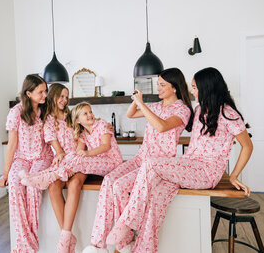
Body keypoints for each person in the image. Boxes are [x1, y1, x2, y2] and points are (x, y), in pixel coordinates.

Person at [106, 67, 253, 253]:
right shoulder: (200, 109)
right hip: (188, 166)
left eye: (194, 87)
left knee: (151, 162)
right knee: (156, 197)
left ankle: (128, 220)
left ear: (206, 87)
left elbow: (247, 146)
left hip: (205, 173)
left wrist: (233, 176)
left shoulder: (228, 113)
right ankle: (143, 249)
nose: (192, 91)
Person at [83, 68, 194, 253]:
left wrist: (142, 104)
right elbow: (130, 115)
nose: (158, 88)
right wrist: (136, 101)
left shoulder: (182, 110)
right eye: (158, 84)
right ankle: (97, 243)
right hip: (140, 157)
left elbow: (161, 126)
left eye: (162, 85)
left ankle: (125, 240)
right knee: (109, 181)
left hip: (159, 163)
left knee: (119, 187)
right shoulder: (158, 106)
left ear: (174, 88)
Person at [22, 102, 123, 252]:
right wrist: (71, 164)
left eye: (90, 112)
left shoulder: (102, 125)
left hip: (112, 163)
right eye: (85, 113)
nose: (90, 115)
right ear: (78, 121)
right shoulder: (82, 135)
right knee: (73, 156)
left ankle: (50, 176)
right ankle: (47, 175)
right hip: (97, 164)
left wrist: (86, 154)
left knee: (79, 159)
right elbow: (78, 153)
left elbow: (105, 146)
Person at [0, 74, 54, 253]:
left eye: (46, 91)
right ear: (28, 93)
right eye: (40, 92)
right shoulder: (16, 112)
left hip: (42, 158)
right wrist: (5, 174)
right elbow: (12, 144)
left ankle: (28, 246)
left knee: (32, 188)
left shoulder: (46, 111)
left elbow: (52, 137)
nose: (45, 95)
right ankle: (25, 245)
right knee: (14, 186)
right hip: (21, 159)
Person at [41, 83, 87, 253]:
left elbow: (86, 132)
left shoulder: (72, 115)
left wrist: (76, 158)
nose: (64, 100)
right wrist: (62, 157)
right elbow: (56, 146)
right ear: (53, 96)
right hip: (63, 161)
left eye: (66, 96)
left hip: (81, 159)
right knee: (53, 187)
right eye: (61, 96)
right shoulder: (48, 120)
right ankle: (67, 237)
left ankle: (64, 241)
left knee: (75, 184)